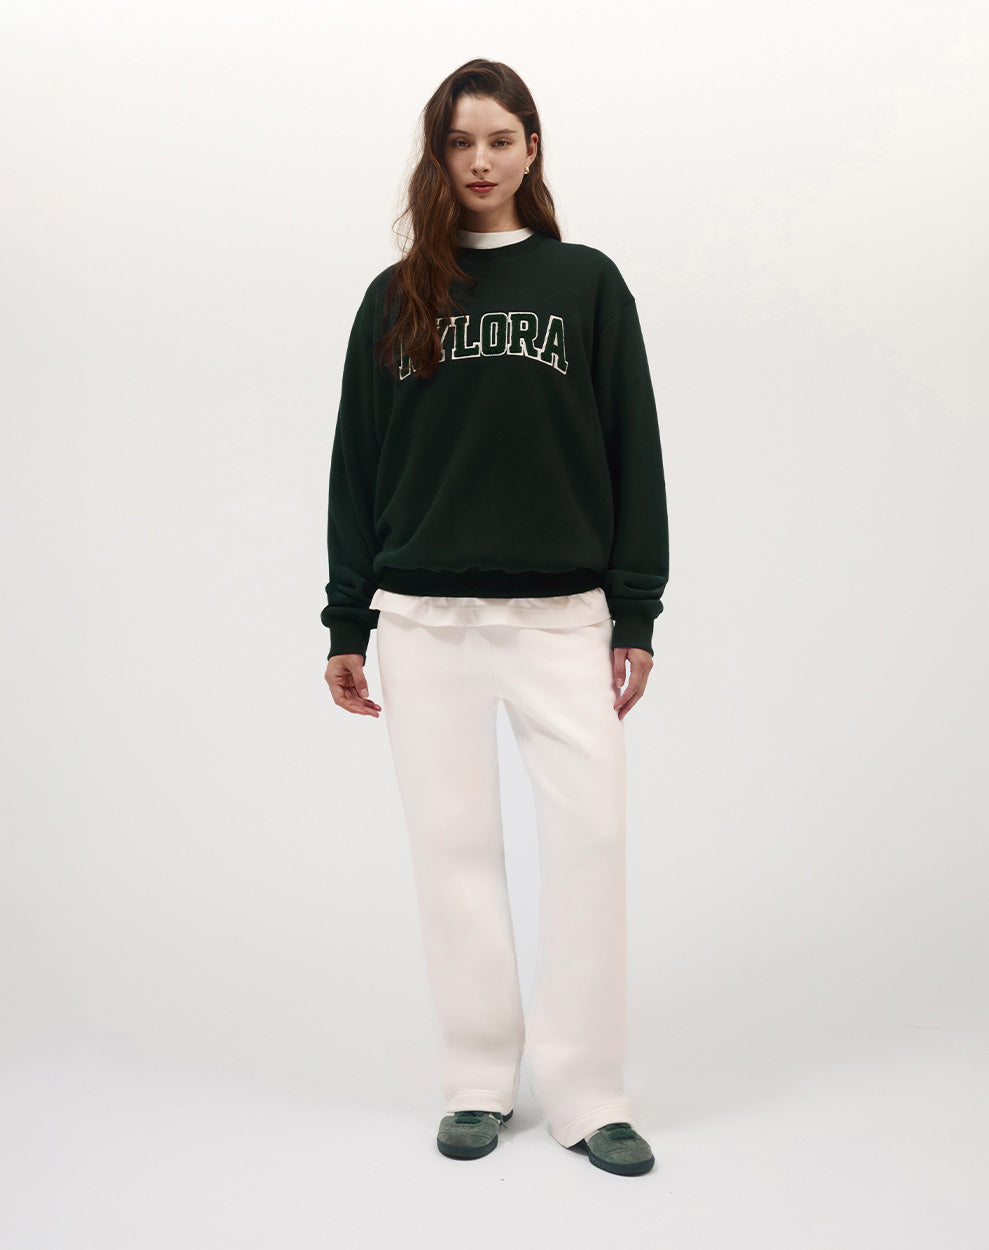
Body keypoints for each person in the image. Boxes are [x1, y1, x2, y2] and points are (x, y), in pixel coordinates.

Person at [321, 58, 668, 1178]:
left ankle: (587, 1092)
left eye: (500, 140)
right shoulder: (396, 294)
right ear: (439, 155)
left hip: (562, 617)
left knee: (591, 844)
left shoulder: (586, 282)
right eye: (460, 142)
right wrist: (345, 620)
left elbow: (633, 445)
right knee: (453, 852)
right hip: (424, 621)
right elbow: (356, 464)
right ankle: (477, 1078)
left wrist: (635, 611)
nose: (480, 162)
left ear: (531, 148)